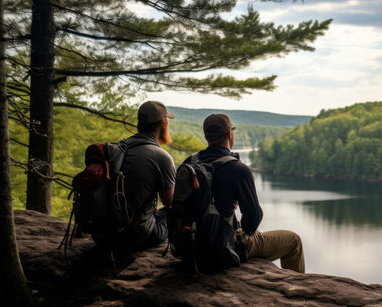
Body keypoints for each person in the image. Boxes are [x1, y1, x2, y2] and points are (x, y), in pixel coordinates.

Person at [185, 113, 305, 273]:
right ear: (229, 134)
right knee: (293, 240)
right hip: (224, 246)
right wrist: (242, 230)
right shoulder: (238, 169)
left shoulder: (190, 163)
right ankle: (297, 292)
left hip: (192, 244)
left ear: (206, 136)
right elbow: (254, 217)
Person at [119, 100, 176, 249]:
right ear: (163, 123)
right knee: (176, 211)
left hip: (104, 233)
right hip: (136, 235)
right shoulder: (161, 157)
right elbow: (170, 203)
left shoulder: (121, 147)